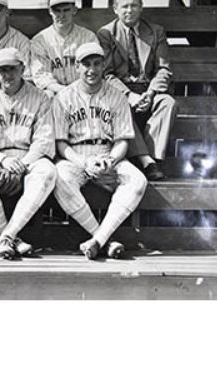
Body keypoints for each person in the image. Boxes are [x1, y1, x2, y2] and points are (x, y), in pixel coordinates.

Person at [52, 42, 147, 260]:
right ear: (76, 66)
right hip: (76, 155)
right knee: (59, 178)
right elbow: (61, 144)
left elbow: (123, 140)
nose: (91, 69)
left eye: (97, 63)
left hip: (107, 152)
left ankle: (97, 241)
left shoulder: (117, 96)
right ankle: (102, 239)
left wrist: (110, 161)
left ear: (104, 65)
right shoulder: (63, 97)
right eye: (86, 64)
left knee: (137, 181)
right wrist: (84, 163)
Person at [0, 47, 56, 259]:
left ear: (23, 68)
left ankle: (7, 236)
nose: (7, 75)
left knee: (48, 171)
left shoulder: (40, 97)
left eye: (12, 69)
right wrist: (3, 161)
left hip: (28, 157)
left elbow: (43, 141)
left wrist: (22, 165)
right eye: (2, 70)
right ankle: (10, 237)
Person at [97, 0, 176, 180]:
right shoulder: (106, 34)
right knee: (119, 105)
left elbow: (164, 69)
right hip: (121, 91)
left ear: (141, 7)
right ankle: (146, 163)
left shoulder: (156, 32)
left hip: (149, 90)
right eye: (124, 6)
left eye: (134, 6)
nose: (129, 11)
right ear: (115, 9)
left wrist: (150, 94)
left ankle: (151, 159)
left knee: (168, 103)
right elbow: (105, 74)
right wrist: (129, 96)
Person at [30, 0, 99, 99]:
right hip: (55, 92)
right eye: (57, 10)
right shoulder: (40, 40)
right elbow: (41, 75)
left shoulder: (88, 37)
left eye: (66, 10)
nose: (61, 15)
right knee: (47, 95)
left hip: (84, 92)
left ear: (74, 10)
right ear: (50, 11)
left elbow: (94, 70)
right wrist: (63, 90)